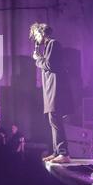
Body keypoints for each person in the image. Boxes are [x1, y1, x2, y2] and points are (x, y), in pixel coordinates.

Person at [30, 22, 73, 164]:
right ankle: (56, 152)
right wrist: (41, 58)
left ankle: (63, 153)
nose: (35, 38)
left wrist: (37, 59)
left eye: (36, 34)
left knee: (55, 119)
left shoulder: (53, 44)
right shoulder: (49, 46)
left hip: (56, 89)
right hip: (50, 89)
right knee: (53, 120)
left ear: (42, 32)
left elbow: (49, 65)